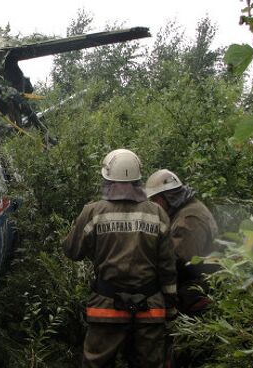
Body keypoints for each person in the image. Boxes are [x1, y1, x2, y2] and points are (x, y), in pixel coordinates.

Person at [63, 149, 177, 368]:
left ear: (106, 178)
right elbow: (167, 267)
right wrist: (170, 306)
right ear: (138, 179)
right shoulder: (157, 214)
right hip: (150, 309)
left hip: (106, 307)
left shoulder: (93, 212)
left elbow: (72, 251)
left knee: (97, 363)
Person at [145, 169, 219, 316]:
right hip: (200, 283)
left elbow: (178, 261)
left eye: (154, 201)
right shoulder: (186, 210)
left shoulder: (188, 219)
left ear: (165, 198)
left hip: (197, 291)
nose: (153, 207)